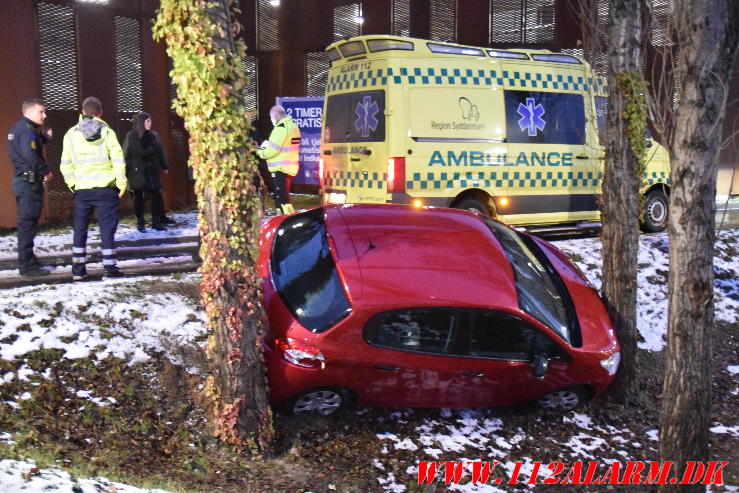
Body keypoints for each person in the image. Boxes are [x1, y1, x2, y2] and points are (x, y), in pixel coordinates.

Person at [60, 96, 127, 281]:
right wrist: (120, 184)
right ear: (100, 113)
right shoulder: (107, 132)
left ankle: (78, 269)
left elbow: (65, 164)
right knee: (107, 227)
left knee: (80, 228)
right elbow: (118, 160)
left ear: (82, 111)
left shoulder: (71, 134)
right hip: (106, 188)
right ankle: (110, 267)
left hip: (82, 189)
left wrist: (73, 185)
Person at [7, 98, 53, 277]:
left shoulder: (18, 128)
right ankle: (27, 267)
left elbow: (26, 149)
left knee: (26, 225)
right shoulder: (27, 132)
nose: (44, 115)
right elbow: (30, 156)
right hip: (29, 184)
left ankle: (28, 261)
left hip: (21, 182)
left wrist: (43, 138)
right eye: (41, 111)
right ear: (29, 112)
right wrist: (46, 171)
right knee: (27, 226)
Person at [123, 112, 170, 232]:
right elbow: (134, 153)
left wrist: (164, 166)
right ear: (142, 122)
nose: (150, 123)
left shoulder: (153, 135)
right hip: (137, 171)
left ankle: (156, 221)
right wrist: (126, 171)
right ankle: (140, 222)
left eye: (150, 121)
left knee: (156, 195)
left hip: (151, 170)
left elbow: (160, 151)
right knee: (138, 197)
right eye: (148, 121)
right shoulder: (132, 136)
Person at [257, 105, 300, 215]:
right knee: (285, 198)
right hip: (289, 167)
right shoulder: (293, 126)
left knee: (280, 199)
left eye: (271, 117)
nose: (271, 120)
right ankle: (288, 217)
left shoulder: (280, 129)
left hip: (280, 168)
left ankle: (282, 219)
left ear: (276, 116)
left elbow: (272, 150)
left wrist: (260, 151)